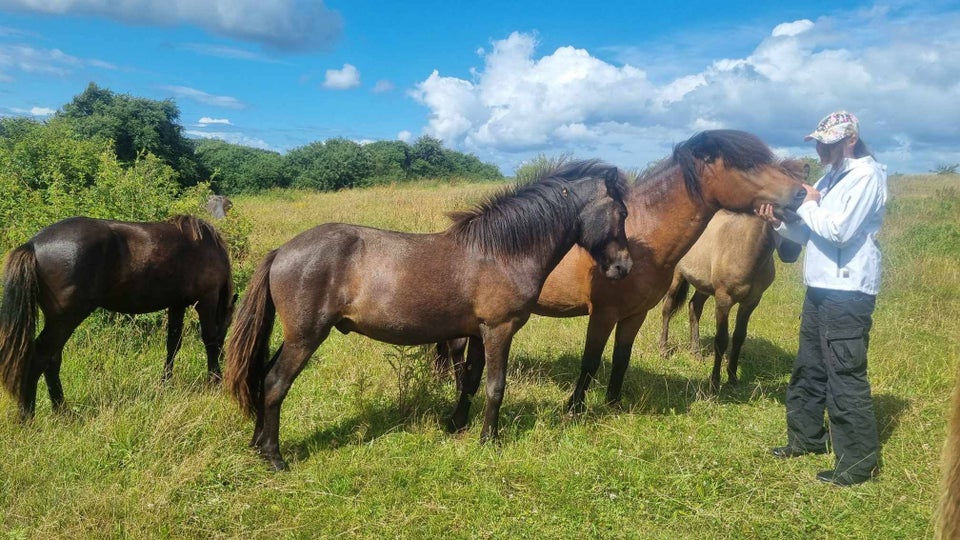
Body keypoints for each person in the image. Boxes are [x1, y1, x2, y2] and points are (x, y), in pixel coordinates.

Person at [756, 110, 888, 486]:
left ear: (849, 141)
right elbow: (814, 236)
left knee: (845, 376)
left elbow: (840, 232)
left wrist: (810, 203)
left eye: (827, 143)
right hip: (820, 287)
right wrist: (781, 224)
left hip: (848, 294)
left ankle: (856, 466)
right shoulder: (833, 177)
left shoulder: (866, 176)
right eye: (817, 142)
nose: (819, 149)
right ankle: (805, 439)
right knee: (809, 367)